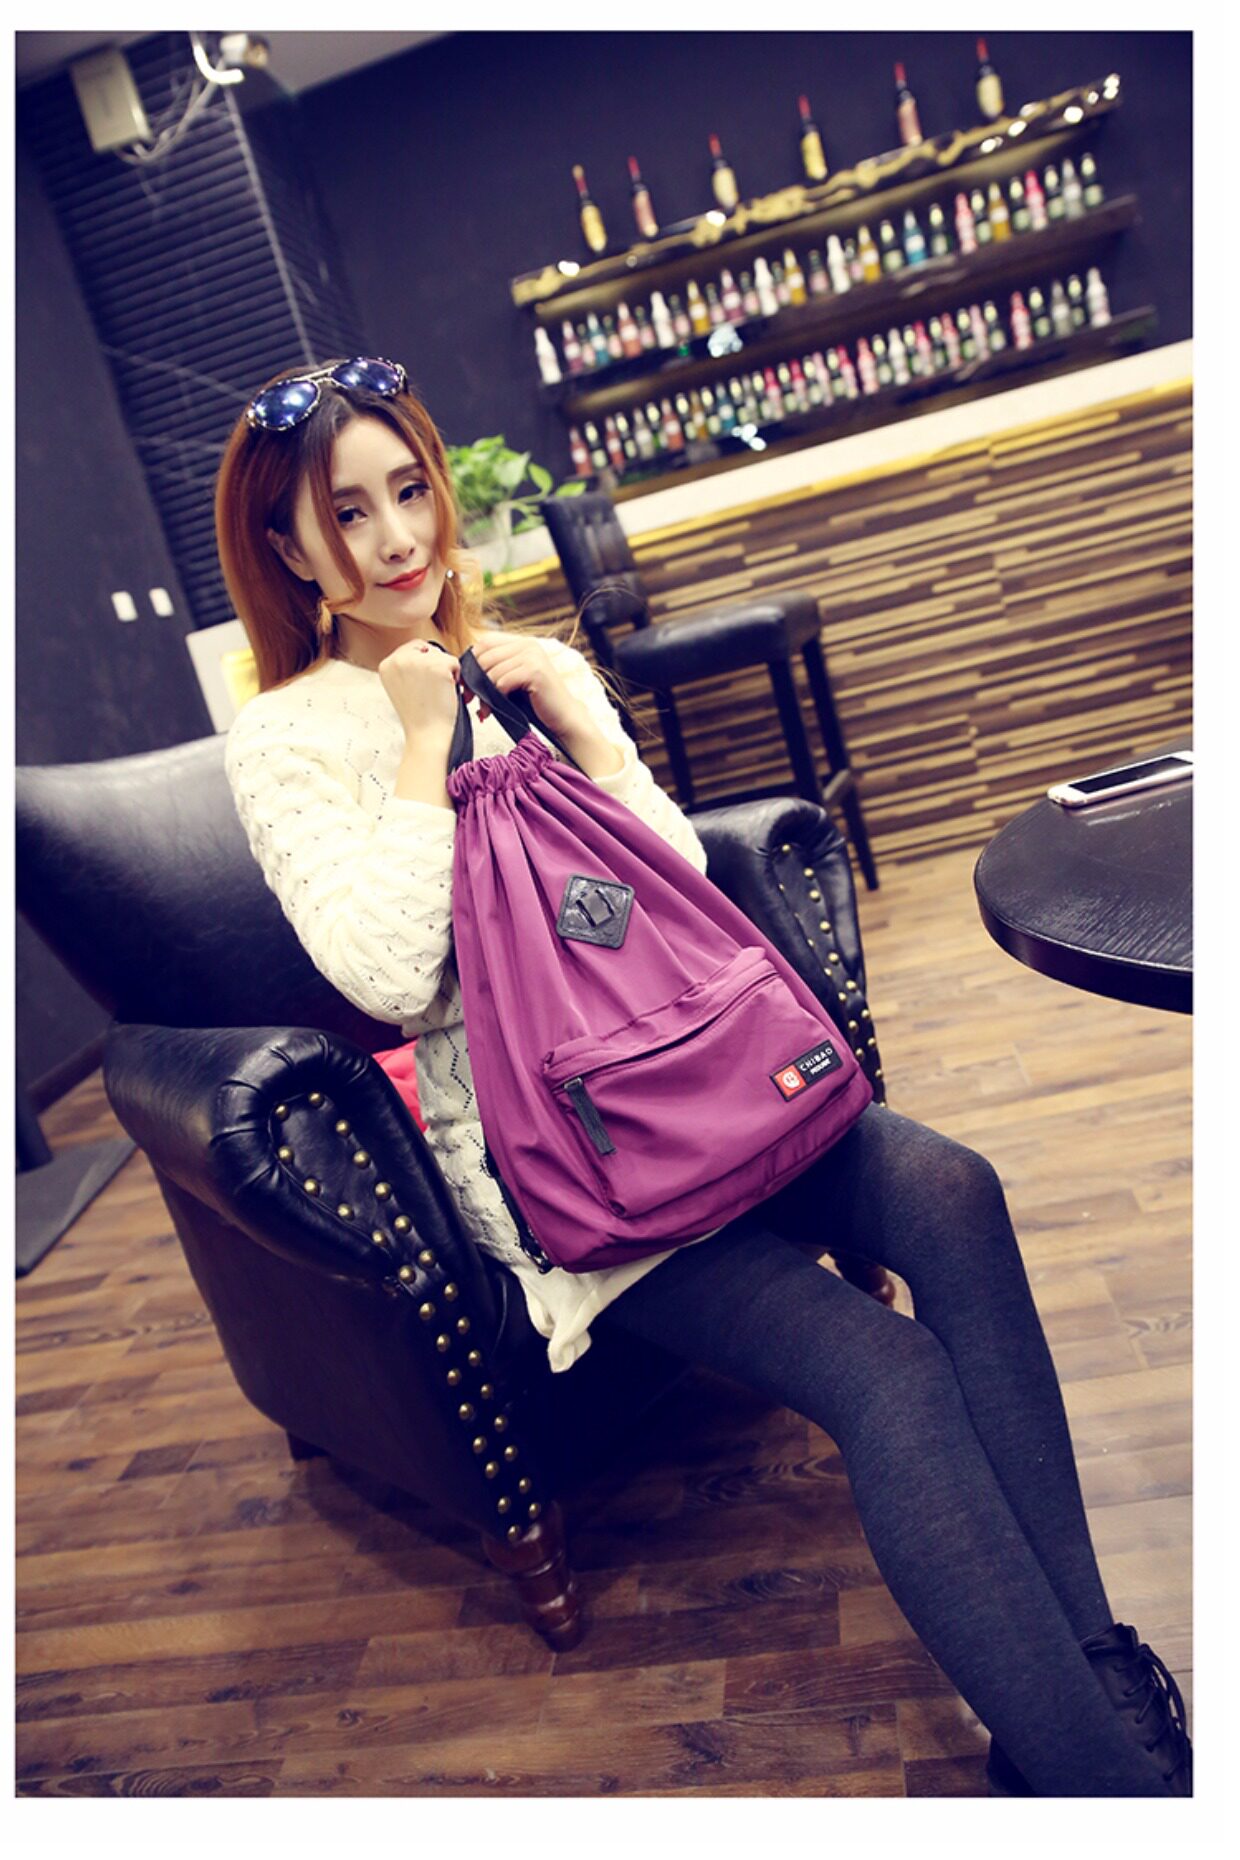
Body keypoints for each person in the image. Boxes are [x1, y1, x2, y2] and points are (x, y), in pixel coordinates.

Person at [215, 356, 1190, 1798]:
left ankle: (1091, 1679)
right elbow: (387, 974)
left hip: (711, 1086)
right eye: (348, 514)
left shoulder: (508, 664)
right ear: (291, 550)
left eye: (410, 490)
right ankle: (1108, 1787)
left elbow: (668, 890)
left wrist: (585, 719)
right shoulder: (284, 738)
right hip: (573, 1164)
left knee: (952, 1189)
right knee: (885, 1373)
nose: (400, 536)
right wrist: (425, 746)